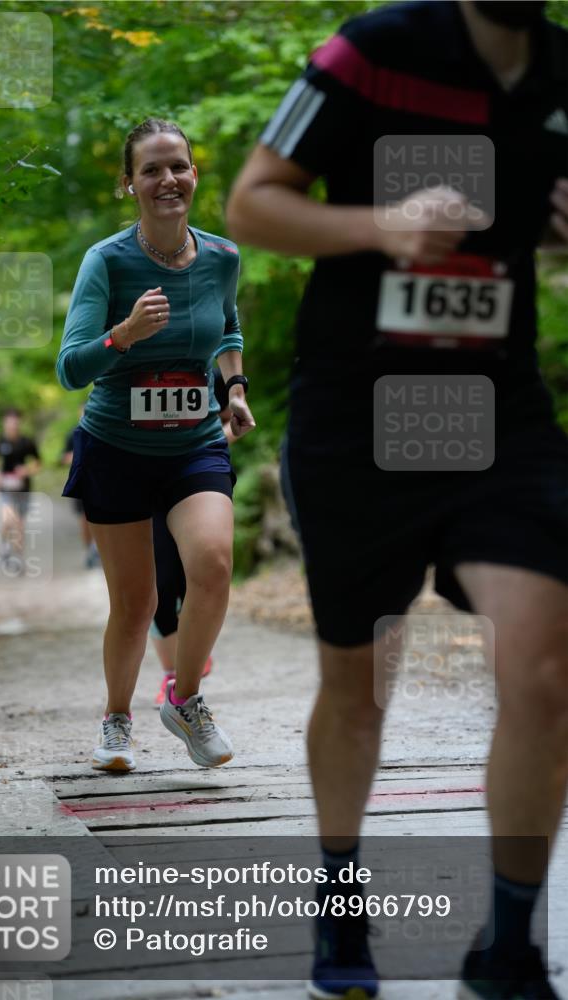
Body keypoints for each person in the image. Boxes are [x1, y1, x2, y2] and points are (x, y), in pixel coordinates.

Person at [227, 2, 567, 999]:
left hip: (491, 412)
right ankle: (341, 902)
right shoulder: (372, 49)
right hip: (359, 414)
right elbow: (253, 203)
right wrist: (377, 224)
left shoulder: (559, 74)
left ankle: (506, 946)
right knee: (358, 683)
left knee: (545, 666)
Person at [57, 117, 256, 773]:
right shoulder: (106, 261)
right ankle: (116, 718)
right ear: (128, 183)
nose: (167, 179)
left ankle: (186, 700)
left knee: (213, 565)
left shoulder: (223, 257)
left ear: (194, 174)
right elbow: (71, 369)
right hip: (115, 446)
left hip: (193, 444)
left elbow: (225, 328)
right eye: (151, 169)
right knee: (136, 603)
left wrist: (233, 389)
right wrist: (125, 334)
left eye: (178, 166)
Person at [151, 371, 235, 705]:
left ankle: (192, 651)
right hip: (146, 484)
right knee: (159, 586)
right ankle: (171, 675)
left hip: (199, 482)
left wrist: (207, 447)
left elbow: (233, 420)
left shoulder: (210, 371)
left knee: (196, 580)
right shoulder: (135, 366)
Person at [0, 408, 42, 576]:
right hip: (5, 488)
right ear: (4, 423)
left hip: (23, 489)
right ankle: (5, 548)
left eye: (16, 421)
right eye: (10, 421)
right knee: (8, 519)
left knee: (19, 524)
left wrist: (26, 470)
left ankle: (18, 558)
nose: (13, 424)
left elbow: (38, 463)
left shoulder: (27, 442)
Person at [61, 407, 100, 569]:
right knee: (83, 519)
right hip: (80, 481)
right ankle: (89, 549)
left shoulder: (100, 431)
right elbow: (63, 457)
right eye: (82, 412)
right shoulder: (73, 433)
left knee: (99, 517)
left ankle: (97, 549)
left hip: (98, 482)